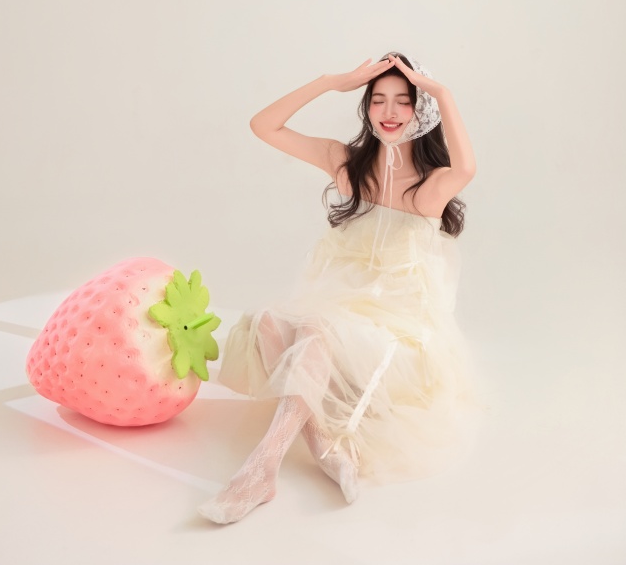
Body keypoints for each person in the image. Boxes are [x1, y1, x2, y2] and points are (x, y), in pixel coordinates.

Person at [198, 52, 483, 525]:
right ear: (365, 106)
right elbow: (263, 125)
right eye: (378, 100)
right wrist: (331, 81)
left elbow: (467, 168)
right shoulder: (345, 162)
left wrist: (442, 92)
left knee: (315, 327)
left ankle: (262, 465)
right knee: (268, 322)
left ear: (422, 110)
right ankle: (323, 443)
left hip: (397, 328)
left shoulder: (430, 186)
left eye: (403, 101)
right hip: (338, 308)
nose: (389, 112)